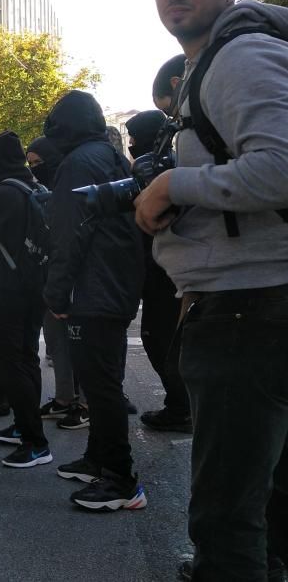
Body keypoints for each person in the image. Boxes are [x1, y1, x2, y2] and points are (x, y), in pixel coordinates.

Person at [135, 0, 288, 579]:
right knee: (265, 495)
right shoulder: (215, 61)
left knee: (225, 513)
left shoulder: (240, 55)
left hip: (244, 312)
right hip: (253, 304)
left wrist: (174, 182)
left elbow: (281, 166)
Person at [42, 90, 145, 511]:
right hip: (115, 286)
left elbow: (70, 234)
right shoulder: (113, 157)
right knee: (105, 383)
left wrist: (56, 291)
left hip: (91, 290)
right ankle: (99, 459)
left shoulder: (76, 164)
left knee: (101, 388)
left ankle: (121, 480)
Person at [0, 132, 51, 466]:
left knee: (8, 363)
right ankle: (24, 426)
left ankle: (34, 441)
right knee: (28, 358)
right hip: (34, 285)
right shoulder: (36, 189)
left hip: (3, 290)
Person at [123, 110, 191, 433]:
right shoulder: (166, 168)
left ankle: (181, 407)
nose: (132, 146)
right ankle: (180, 404)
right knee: (161, 339)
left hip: (164, 273)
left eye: (135, 140)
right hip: (163, 271)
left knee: (161, 339)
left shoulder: (161, 174)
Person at [27, 137, 88, 430]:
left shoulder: (71, 187)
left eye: (39, 162)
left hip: (75, 279)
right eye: (31, 164)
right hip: (51, 277)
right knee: (56, 343)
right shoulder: (47, 191)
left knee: (83, 346)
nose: (36, 169)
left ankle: (86, 405)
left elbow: (69, 241)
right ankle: (65, 398)